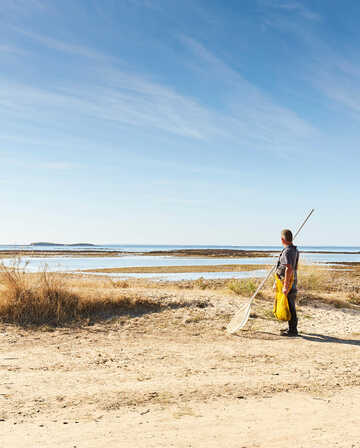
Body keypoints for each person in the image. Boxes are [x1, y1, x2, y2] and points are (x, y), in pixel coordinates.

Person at [275, 229, 300, 337]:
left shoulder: (288, 251)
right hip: (290, 280)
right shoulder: (293, 250)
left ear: (282, 239)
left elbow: (289, 268)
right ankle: (291, 328)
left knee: (290, 305)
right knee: (290, 304)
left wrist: (285, 286)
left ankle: (293, 330)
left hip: (288, 282)